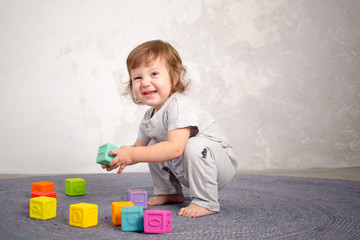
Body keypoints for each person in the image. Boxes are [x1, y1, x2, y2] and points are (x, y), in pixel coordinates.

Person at [102, 40, 238, 218]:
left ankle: (206, 201)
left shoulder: (179, 106)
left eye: (154, 74)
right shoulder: (148, 118)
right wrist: (121, 157)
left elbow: (175, 148)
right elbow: (138, 149)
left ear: (173, 77)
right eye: (138, 77)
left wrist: (133, 154)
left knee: (189, 145)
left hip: (217, 164)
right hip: (188, 168)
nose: (145, 83)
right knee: (152, 145)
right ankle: (170, 192)